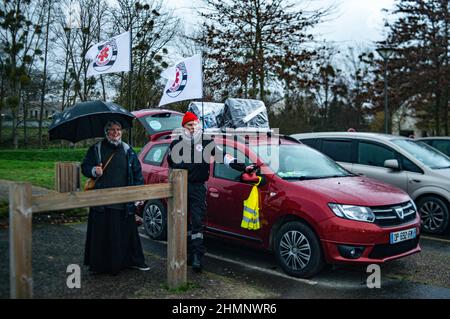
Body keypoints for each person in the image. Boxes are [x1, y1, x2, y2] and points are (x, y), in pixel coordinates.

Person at [167, 112, 254, 272]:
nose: (193, 128)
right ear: (183, 128)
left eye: (195, 124)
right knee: (181, 222)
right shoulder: (176, 144)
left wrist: (243, 166)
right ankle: (183, 255)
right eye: (189, 125)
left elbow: (224, 157)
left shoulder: (207, 142)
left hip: (198, 187)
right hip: (180, 187)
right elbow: (172, 163)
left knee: (198, 222)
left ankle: (197, 257)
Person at [81, 120, 149, 275]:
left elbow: (137, 172)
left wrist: (137, 194)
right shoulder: (96, 149)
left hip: (123, 201)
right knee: (102, 235)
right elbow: (84, 167)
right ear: (106, 132)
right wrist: (93, 170)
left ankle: (128, 263)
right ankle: (101, 267)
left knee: (123, 234)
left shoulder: (127, 149)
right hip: (101, 202)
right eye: (112, 130)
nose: (116, 132)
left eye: (118, 129)